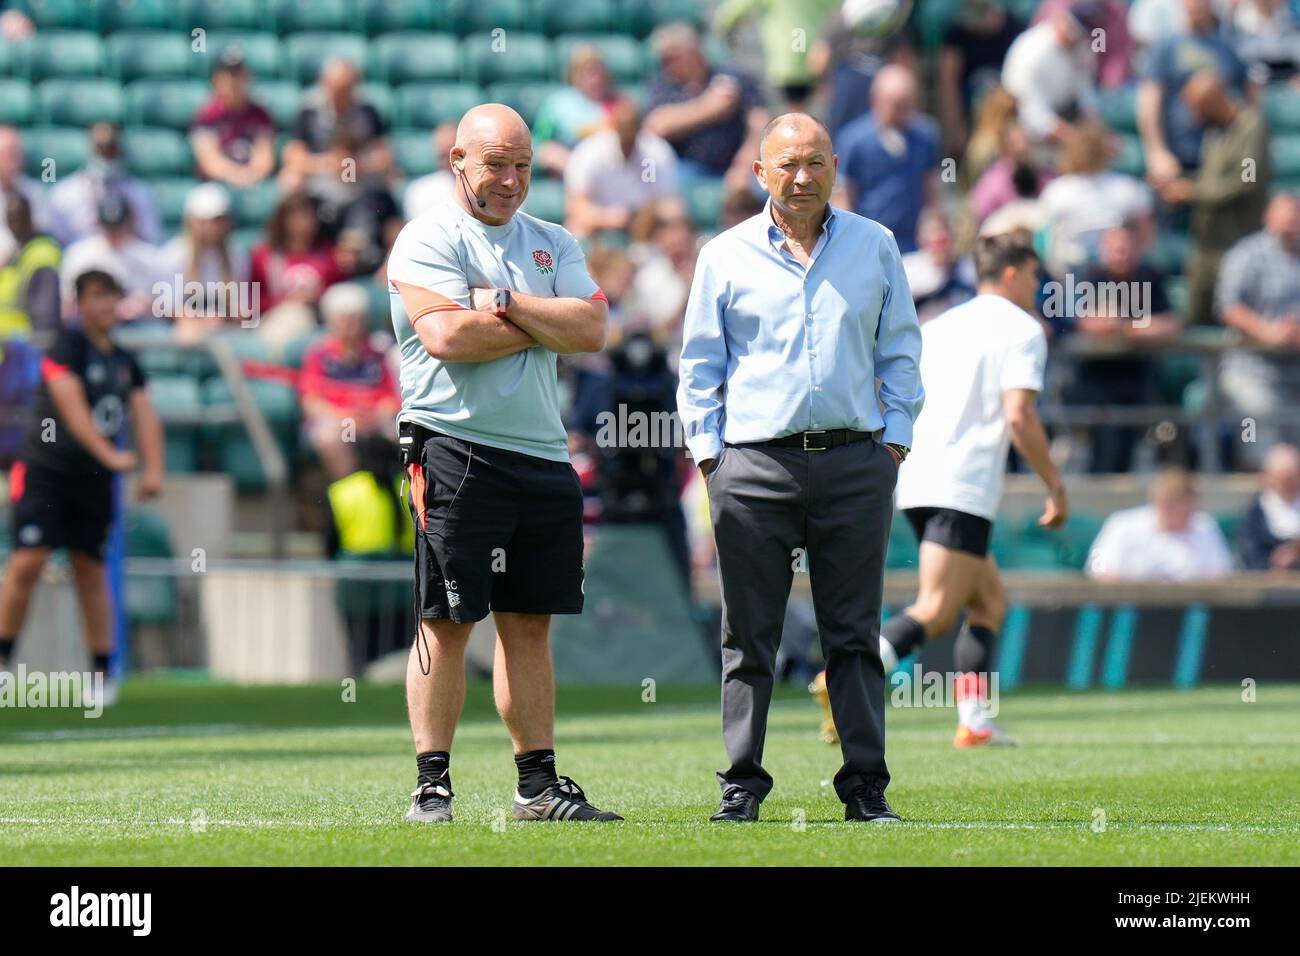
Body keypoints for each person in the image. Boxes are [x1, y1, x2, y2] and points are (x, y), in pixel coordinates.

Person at [677, 113, 924, 823]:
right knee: (747, 634)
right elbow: (699, 364)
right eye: (786, 163)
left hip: (855, 462)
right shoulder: (723, 255)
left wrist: (895, 441)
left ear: (835, 167)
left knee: (852, 634)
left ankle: (866, 790)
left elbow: (900, 350)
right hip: (752, 465)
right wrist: (708, 455)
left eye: (815, 162)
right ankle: (741, 785)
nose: (801, 175)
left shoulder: (875, 246)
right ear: (759, 173)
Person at [388, 104, 620, 824]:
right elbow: (450, 336)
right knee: (445, 622)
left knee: (529, 625)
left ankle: (537, 786)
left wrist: (508, 303)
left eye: (522, 164)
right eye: (496, 163)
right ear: (458, 159)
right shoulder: (428, 236)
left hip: (542, 454)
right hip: (454, 447)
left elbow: (591, 329)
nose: (513, 179)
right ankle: (432, 784)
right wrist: (541, 318)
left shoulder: (552, 240)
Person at [885, 233, 1068, 748]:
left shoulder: (939, 325)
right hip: (961, 484)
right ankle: (851, 672)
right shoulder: (1022, 330)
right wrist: (1055, 484)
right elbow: (1020, 415)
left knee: (989, 601)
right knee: (937, 610)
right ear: (1011, 273)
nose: (1037, 285)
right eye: (1033, 275)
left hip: (918, 476)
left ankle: (976, 722)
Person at [0, 269, 165, 703]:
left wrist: (154, 470)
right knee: (28, 562)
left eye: (111, 297)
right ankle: (2, 663)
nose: (106, 306)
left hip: (91, 480)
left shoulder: (125, 361)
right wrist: (112, 456)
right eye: (97, 297)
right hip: (46, 470)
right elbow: (70, 407)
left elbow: (145, 413)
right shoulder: (67, 346)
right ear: (80, 304)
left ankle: (101, 673)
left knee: (90, 569)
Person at [1158, 69, 1271, 327]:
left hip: (1236, 244)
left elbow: (1248, 180)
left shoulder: (1251, 127)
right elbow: (1212, 177)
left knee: (1233, 322)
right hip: (1205, 244)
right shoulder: (1214, 132)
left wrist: (1193, 192)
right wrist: (1179, 183)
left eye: (1197, 108)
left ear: (1214, 102)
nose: (1192, 116)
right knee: (1196, 320)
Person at [1066, 222, 1181, 473]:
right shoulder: (1092, 276)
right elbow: (1088, 322)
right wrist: (1138, 327)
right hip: (1097, 378)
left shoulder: (1150, 276)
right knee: (1105, 447)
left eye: (1126, 248)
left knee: (1168, 431)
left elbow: (1169, 324)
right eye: (1115, 248)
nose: (1121, 254)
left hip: (1140, 375)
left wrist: (1126, 328)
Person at [1216, 193, 1300, 462]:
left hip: (1295, 367)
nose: (1291, 223)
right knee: (1260, 415)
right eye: (1285, 217)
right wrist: (1269, 332)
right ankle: (1264, 483)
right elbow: (1228, 307)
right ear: (1268, 218)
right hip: (1253, 368)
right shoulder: (1247, 253)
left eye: (1295, 217)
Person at [1138, 0, 1251, 189]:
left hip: (1220, 158)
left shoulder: (1228, 49)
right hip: (1178, 158)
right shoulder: (1166, 46)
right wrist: (1157, 152)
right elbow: (1150, 100)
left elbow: (1247, 101)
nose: (1196, 7)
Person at [643, 21, 768, 191]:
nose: (666, 65)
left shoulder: (734, 77)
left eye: (671, 58)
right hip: (688, 168)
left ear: (693, 52)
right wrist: (708, 108)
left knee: (766, 190)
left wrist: (745, 163)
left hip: (738, 167)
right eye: (663, 60)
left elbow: (759, 122)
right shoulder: (664, 85)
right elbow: (655, 126)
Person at [835, 65, 940, 254]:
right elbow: (843, 197)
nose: (902, 111)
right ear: (876, 99)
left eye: (907, 103)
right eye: (896, 104)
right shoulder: (854, 141)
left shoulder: (925, 135)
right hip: (871, 243)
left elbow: (931, 188)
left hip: (914, 244)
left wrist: (935, 225)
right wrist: (852, 243)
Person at [300, 282, 400, 480]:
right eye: (345, 320)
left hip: (374, 420)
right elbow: (311, 402)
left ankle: (398, 492)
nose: (352, 326)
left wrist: (376, 415)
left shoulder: (378, 354)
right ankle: (352, 494)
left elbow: (392, 397)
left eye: (357, 319)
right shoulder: (319, 355)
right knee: (330, 438)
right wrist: (345, 417)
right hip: (337, 420)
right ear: (332, 321)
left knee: (401, 432)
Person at [1086, 467, 1233, 579]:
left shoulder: (1205, 526)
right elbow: (1098, 569)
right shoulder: (1122, 524)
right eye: (1183, 508)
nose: (1191, 514)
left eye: (1192, 507)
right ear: (1163, 505)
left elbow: (1223, 574)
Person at [564, 100, 681, 239]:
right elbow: (576, 205)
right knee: (577, 227)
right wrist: (606, 218)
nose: (627, 139)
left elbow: (669, 202)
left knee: (675, 225)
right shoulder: (590, 152)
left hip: (647, 223)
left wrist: (644, 217)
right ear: (615, 129)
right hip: (600, 221)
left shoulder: (656, 152)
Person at [1000, 2, 1103, 155]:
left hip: (1062, 118)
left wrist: (1096, 133)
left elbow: (1086, 96)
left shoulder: (1081, 48)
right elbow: (1034, 117)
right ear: (1062, 22)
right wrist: (1081, 141)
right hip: (1019, 125)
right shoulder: (1032, 53)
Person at [47, 123, 163, 248]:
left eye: (110, 149)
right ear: (90, 147)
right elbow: (56, 243)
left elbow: (152, 242)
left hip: (127, 258)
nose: (106, 156)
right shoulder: (65, 193)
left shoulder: (138, 193)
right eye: (101, 148)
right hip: (83, 258)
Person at [58, 193, 164, 323]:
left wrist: (145, 306)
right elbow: (68, 306)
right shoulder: (78, 255)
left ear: (129, 223)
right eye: (109, 228)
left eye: (119, 227)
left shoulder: (147, 256)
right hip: (90, 328)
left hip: (139, 327)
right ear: (98, 223)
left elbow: (167, 305)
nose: (114, 234)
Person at [190, 46, 277, 188]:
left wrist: (250, 175)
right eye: (229, 76)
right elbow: (209, 161)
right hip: (217, 185)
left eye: (239, 75)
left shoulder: (260, 114)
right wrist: (235, 176)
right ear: (217, 80)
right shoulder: (207, 115)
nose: (235, 82)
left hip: (254, 181)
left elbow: (265, 158)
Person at [533, 44, 624, 176]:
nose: (597, 78)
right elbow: (540, 145)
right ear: (575, 75)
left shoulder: (620, 104)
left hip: (613, 172)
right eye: (590, 72)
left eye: (600, 72)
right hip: (569, 172)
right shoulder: (557, 104)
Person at [0, 191, 61, 340]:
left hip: (24, 349)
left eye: (19, 216)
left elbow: (45, 317)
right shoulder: (16, 252)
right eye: (10, 216)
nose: (14, 222)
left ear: (30, 217)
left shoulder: (42, 254)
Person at [1238, 443, 1300, 570]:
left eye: (1293, 478)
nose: (1289, 485)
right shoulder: (1255, 517)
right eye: (1283, 479)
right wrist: (1275, 561)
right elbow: (1251, 556)